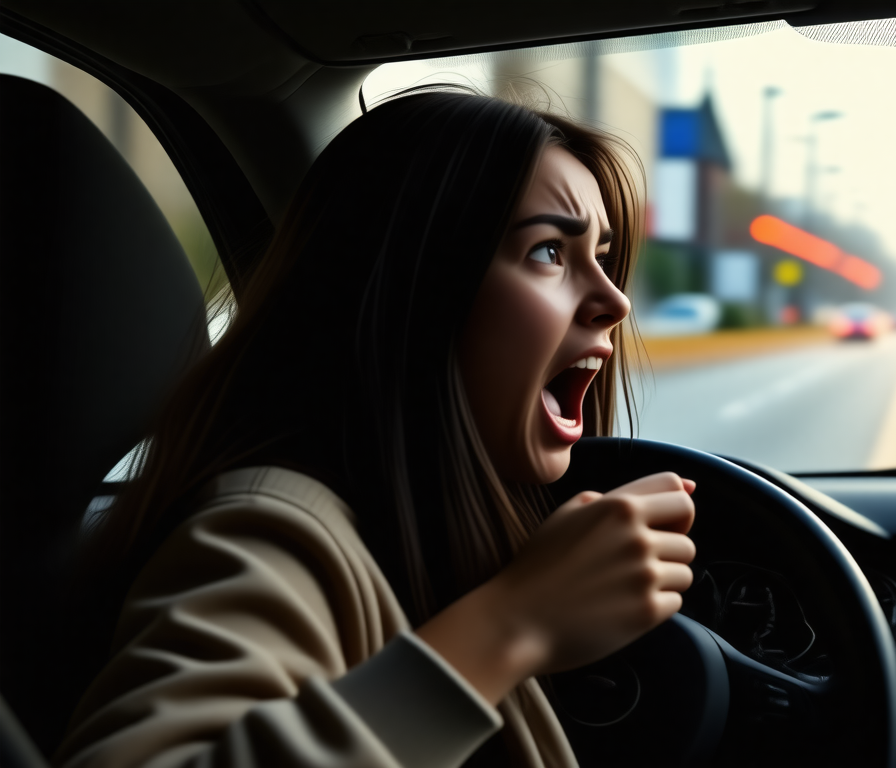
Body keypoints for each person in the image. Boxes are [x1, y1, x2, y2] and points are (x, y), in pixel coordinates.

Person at [54, 87, 697, 768]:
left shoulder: (415, 527)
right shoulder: (265, 529)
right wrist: (515, 623)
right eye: (548, 252)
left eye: (601, 252)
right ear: (413, 290)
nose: (615, 299)